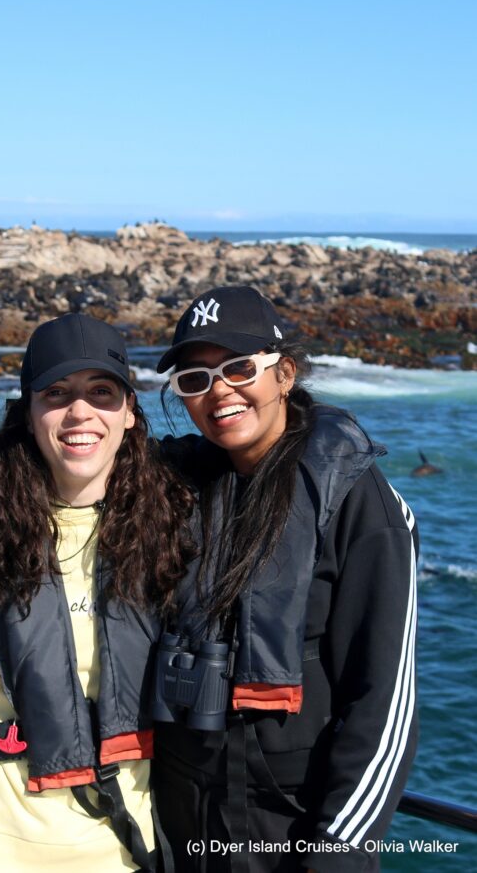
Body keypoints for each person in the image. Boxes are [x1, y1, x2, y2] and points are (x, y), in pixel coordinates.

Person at [152, 286, 418, 872]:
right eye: (194, 381)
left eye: (239, 368)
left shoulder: (353, 499)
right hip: (185, 830)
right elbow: (69, 454)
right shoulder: (179, 481)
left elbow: (385, 702)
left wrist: (336, 854)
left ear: (284, 375)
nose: (219, 391)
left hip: (291, 833)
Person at [0, 313, 196, 872]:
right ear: (27, 414)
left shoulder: (173, 522)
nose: (80, 412)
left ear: (128, 413)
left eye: (102, 392)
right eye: (57, 393)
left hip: (119, 848)